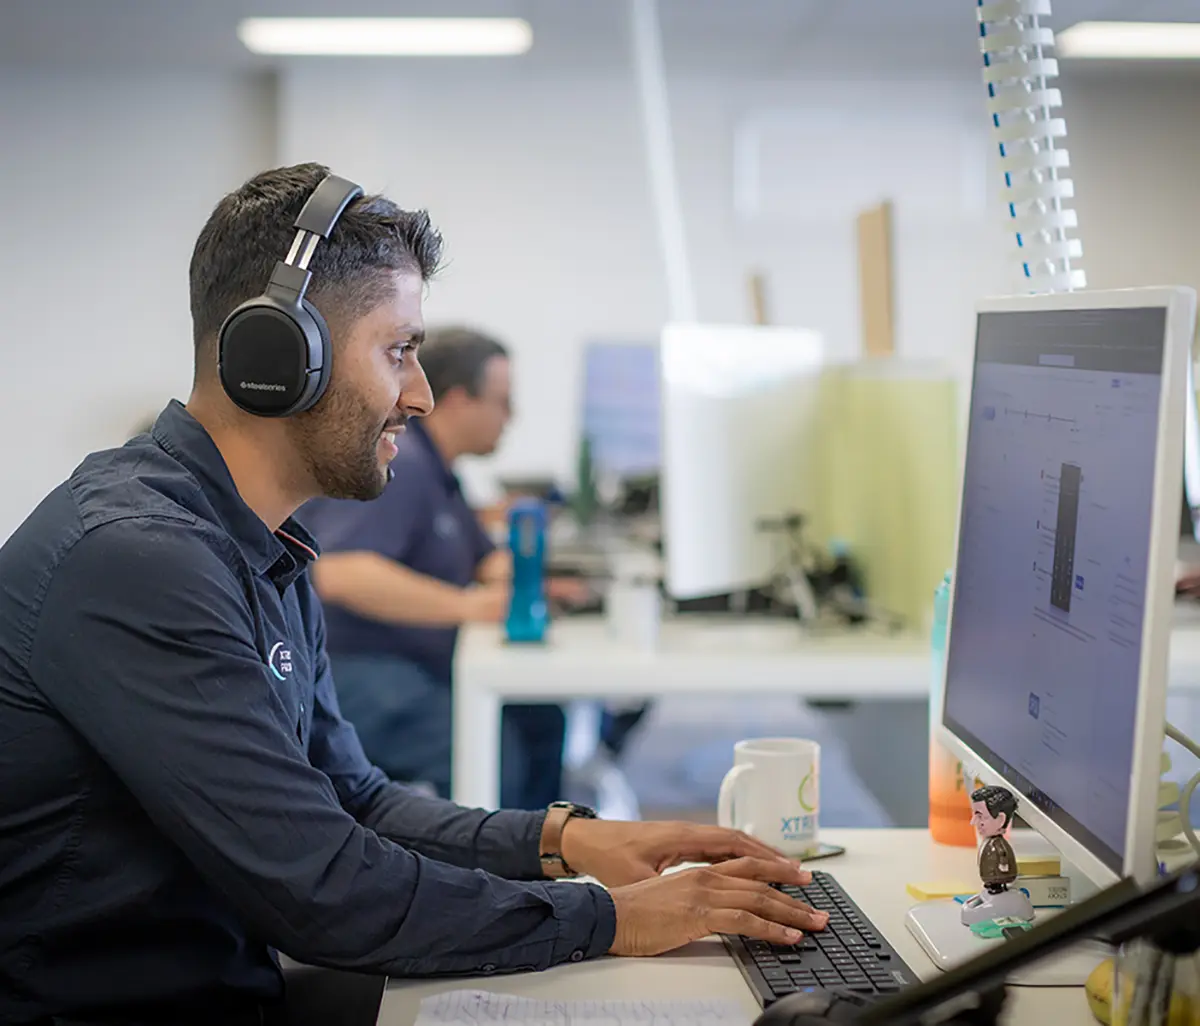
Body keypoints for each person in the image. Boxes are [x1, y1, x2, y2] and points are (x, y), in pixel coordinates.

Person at [0, 163, 827, 1026]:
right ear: (278, 357)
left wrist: (566, 841)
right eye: (399, 351)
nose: (422, 396)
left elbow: (352, 799)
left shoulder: (261, 545)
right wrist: (610, 916)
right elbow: (325, 891)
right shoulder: (135, 559)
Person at [301, 326, 579, 808]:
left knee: (542, 717)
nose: (511, 417)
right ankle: (495, 878)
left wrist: (544, 582)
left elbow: (481, 561)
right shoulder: (402, 464)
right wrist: (470, 606)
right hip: (357, 669)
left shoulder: (439, 471)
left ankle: (549, 861)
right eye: (501, 401)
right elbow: (342, 572)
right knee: (497, 753)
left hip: (407, 662)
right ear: (456, 401)